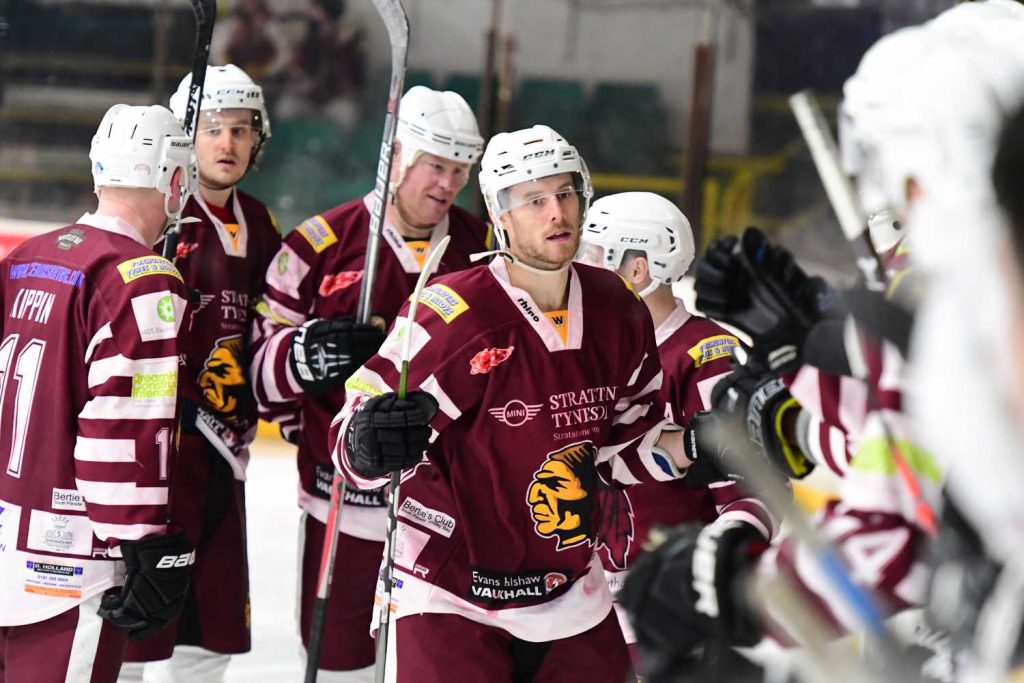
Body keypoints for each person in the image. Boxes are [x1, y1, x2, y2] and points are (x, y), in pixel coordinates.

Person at [329, 125, 703, 682]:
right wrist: (365, 445)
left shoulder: (615, 308)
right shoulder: (453, 312)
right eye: (534, 200)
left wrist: (698, 443)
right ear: (500, 215)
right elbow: (351, 433)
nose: (557, 212)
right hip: (450, 589)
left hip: (570, 584)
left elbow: (625, 446)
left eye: (566, 193)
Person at [250, 86, 489, 681]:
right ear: (398, 155)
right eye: (437, 164)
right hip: (342, 501)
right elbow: (257, 377)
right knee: (336, 661)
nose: (448, 183)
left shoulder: (480, 249)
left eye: (460, 169)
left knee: (434, 662)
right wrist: (307, 355)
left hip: (446, 510)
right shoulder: (316, 246)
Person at [0, 103, 195, 682]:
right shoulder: (144, 279)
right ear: (174, 179)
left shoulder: (26, 258)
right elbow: (122, 426)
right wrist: (140, 542)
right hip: (70, 570)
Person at [117, 65, 282, 683]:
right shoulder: (163, 221)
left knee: (210, 617)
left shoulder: (260, 222)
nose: (228, 143)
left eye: (242, 130)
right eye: (213, 128)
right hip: (158, 447)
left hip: (223, 448)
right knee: (137, 613)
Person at [577, 192, 778, 667]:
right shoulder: (584, 346)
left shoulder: (708, 355)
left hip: (662, 612)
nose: (578, 268)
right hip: (580, 605)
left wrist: (706, 572)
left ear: (637, 269)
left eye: (595, 255)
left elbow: (753, 492)